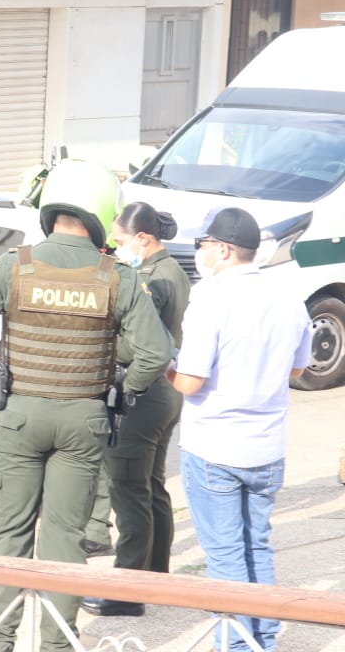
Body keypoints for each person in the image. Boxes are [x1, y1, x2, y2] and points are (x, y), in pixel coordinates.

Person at [0, 160, 172, 652]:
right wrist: (123, 391)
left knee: (7, 539)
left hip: (17, 417)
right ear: (100, 212)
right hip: (83, 421)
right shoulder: (117, 276)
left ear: (52, 208)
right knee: (65, 540)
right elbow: (155, 353)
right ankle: (56, 645)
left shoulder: (16, 264)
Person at [166, 206, 311, 652]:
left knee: (226, 555)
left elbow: (191, 382)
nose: (201, 253)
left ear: (225, 249)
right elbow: (298, 369)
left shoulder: (210, 299)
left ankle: (237, 646)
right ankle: (262, 638)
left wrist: (163, 368)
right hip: (267, 448)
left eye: (204, 245)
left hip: (215, 447)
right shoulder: (289, 297)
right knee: (258, 548)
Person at [81, 202, 190, 617]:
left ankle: (126, 593)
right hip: (166, 394)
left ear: (142, 237)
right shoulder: (172, 268)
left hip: (142, 394)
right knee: (152, 488)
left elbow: (140, 341)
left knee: (129, 492)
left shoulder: (151, 279)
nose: (116, 247)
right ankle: (155, 579)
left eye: (121, 240)